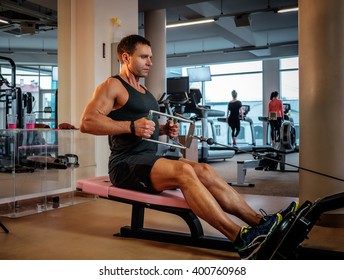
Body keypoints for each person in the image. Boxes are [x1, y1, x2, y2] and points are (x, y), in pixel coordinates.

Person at [80, 34, 298, 260]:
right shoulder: (113, 85)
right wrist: (131, 126)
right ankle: (242, 239)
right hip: (125, 164)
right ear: (126, 57)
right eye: (144, 57)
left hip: (147, 159)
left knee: (204, 169)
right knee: (185, 172)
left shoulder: (144, 92)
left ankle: (261, 224)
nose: (150, 62)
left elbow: (143, 128)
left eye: (151, 57)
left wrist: (164, 130)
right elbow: (87, 122)